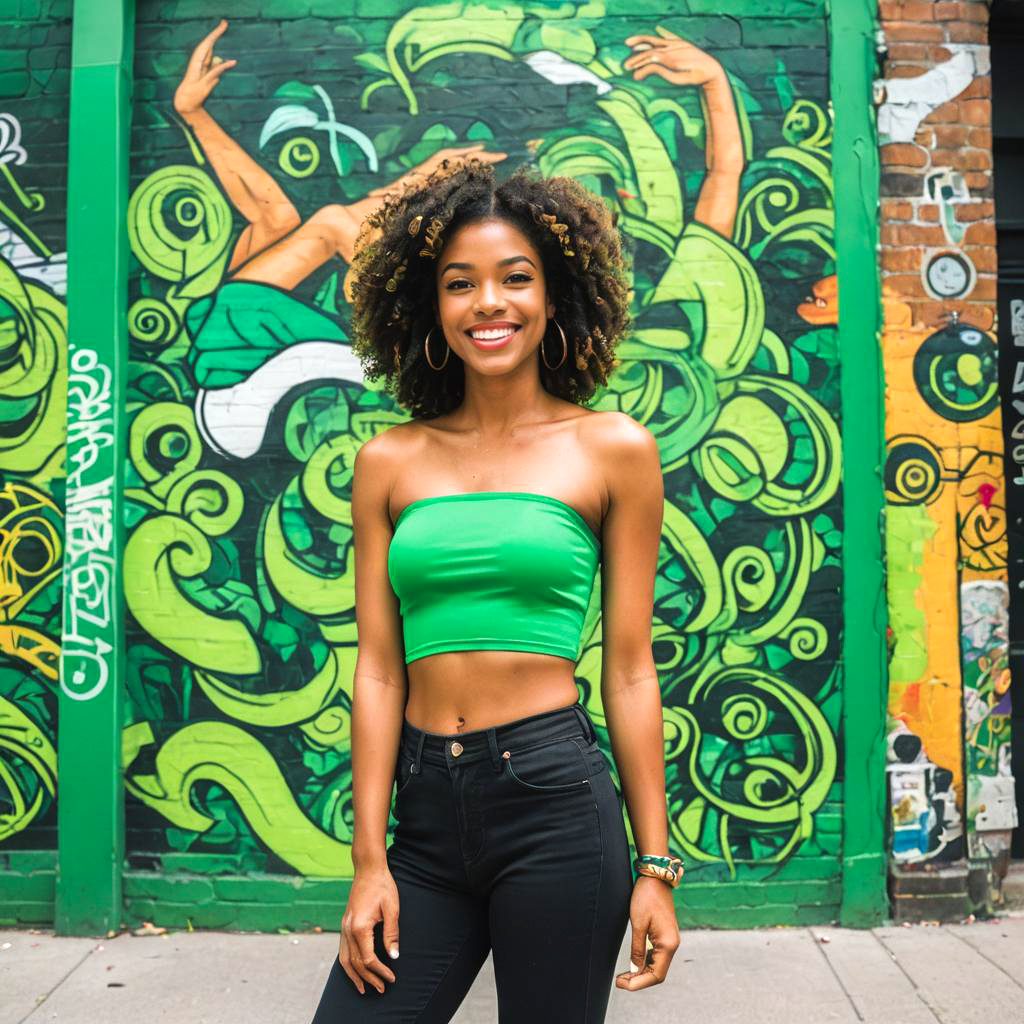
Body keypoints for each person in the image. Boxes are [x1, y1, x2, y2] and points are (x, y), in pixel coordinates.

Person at [310, 156, 680, 1023]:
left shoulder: (612, 449)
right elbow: (377, 672)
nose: (489, 304)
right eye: (459, 284)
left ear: (554, 298)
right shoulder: (388, 463)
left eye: (516, 279)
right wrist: (371, 861)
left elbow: (629, 671)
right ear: (429, 309)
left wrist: (656, 869)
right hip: (427, 818)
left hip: (555, 803)